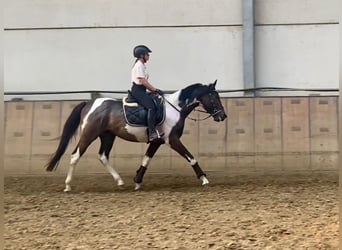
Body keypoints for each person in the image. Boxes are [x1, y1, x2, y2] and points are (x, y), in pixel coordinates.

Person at [130, 45, 164, 142]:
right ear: (141, 55)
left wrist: (153, 91)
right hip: (138, 91)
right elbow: (143, 81)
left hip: (142, 90)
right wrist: (155, 90)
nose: (148, 56)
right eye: (147, 54)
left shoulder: (142, 65)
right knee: (151, 107)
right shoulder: (139, 65)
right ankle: (152, 133)